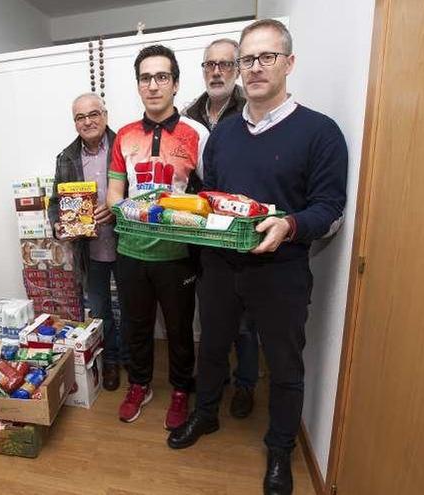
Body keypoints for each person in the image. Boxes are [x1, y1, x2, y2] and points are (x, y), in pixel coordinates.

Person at [167, 20, 348, 495]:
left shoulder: (320, 132)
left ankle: (280, 451)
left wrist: (290, 225)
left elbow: (330, 211)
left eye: (268, 57)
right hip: (221, 269)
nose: (256, 67)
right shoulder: (223, 136)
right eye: (248, 59)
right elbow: (210, 196)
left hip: (281, 271)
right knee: (211, 348)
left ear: (289, 63)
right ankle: (206, 415)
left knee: (285, 366)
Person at [106, 45, 209, 430]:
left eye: (161, 77)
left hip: (176, 253)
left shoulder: (196, 134)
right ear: (138, 86)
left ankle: (182, 389)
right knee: (136, 325)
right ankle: (140, 384)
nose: (153, 85)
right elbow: (115, 193)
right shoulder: (125, 136)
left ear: (176, 84)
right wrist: (126, 210)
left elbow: (211, 194)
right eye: (145, 78)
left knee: (180, 327)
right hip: (130, 251)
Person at [182, 37, 259, 419]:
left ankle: (245, 383)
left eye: (225, 64)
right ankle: (214, 381)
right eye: (210, 64)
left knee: (245, 322)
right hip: (201, 234)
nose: (217, 71)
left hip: (241, 235)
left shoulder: (252, 109)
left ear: (239, 68)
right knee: (211, 316)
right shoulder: (188, 113)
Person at [48, 93, 127, 391]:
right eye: (80, 117)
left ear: (105, 115)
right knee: (100, 311)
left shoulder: (125, 146)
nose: (88, 121)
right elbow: (55, 203)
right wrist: (58, 223)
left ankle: (134, 360)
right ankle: (112, 362)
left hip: (126, 245)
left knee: (133, 307)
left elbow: (143, 195)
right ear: (75, 122)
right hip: (89, 250)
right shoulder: (66, 157)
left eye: (93, 114)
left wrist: (117, 207)